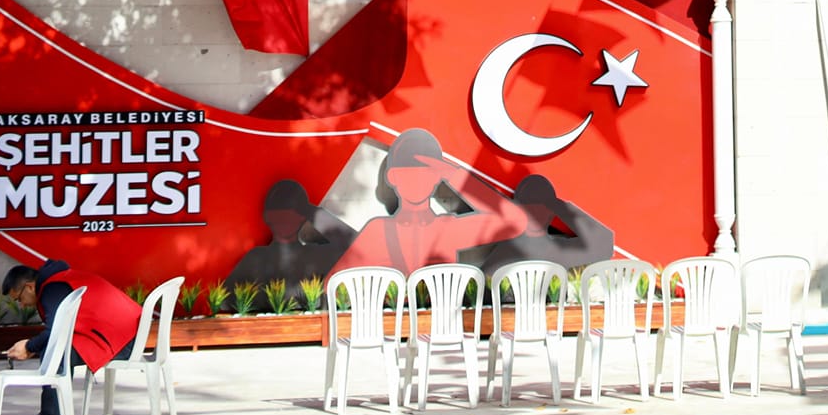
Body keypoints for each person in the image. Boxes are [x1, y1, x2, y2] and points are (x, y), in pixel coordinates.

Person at [330, 129, 532, 274]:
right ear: (393, 177)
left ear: (437, 178)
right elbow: (333, 285)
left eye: (426, 175)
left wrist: (456, 176)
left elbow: (515, 221)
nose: (417, 182)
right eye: (408, 175)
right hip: (397, 320)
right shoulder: (378, 231)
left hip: (440, 319)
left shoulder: (447, 228)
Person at [0, 260, 143, 415]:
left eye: (19, 299)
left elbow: (55, 331)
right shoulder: (58, 280)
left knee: (55, 354)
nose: (21, 305)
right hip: (127, 334)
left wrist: (29, 346)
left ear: (29, 287)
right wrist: (35, 346)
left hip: (124, 341)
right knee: (54, 350)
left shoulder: (52, 289)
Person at [226, 179, 358, 288]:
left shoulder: (320, 252)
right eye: (277, 219)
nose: (281, 225)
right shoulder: (256, 258)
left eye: (286, 219)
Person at [480, 175, 615, 271]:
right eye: (530, 207)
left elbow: (605, 243)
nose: (535, 213)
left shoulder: (560, 249)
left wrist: (559, 206)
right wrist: (559, 207)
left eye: (541, 207)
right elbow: (604, 243)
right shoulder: (507, 250)